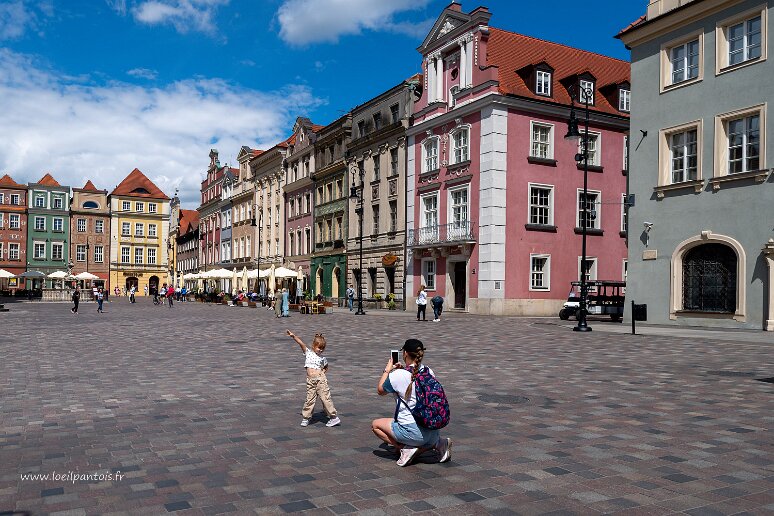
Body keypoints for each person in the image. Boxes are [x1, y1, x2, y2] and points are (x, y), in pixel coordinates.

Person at [372, 339, 451, 467]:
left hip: (413, 433)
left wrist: (387, 370)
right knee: (424, 437)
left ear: (405, 353)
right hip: (433, 430)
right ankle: (439, 443)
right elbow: (412, 378)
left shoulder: (398, 374)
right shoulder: (428, 371)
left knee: (375, 425)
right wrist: (402, 370)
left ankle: (405, 449)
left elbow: (380, 390)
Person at [286, 330, 340, 428]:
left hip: (320, 380)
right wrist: (293, 336)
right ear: (313, 346)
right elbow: (301, 344)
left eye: (322, 348)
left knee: (325, 398)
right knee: (309, 399)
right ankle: (306, 417)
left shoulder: (322, 358)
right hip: (310, 381)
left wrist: (322, 373)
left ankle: (333, 417)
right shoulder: (308, 353)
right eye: (319, 348)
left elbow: (326, 367)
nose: (321, 350)